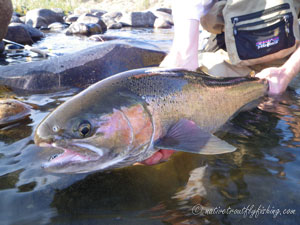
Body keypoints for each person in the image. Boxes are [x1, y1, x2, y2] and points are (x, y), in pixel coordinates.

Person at [141, 0, 300, 165]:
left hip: (289, 56)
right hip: (229, 53)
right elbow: (189, 7)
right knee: (186, 107)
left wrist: (287, 72)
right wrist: (183, 56)